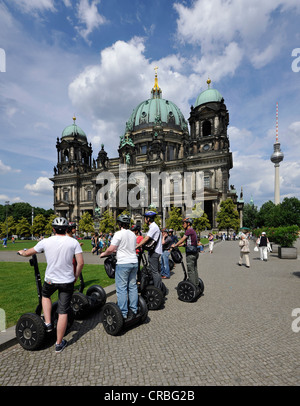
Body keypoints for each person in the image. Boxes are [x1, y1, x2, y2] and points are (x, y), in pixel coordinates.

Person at [18, 217, 84, 353]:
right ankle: (59, 344)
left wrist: (22, 252)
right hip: (67, 281)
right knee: (63, 311)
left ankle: (48, 322)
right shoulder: (73, 242)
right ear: (66, 229)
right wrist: (76, 276)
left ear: (53, 229)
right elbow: (80, 262)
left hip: (51, 280)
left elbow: (28, 252)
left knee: (45, 295)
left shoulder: (45, 241)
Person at [100, 214, 138, 320]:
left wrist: (103, 254)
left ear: (120, 224)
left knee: (121, 289)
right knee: (132, 286)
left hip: (123, 263)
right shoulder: (133, 234)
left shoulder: (118, 234)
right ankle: (134, 309)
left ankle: (123, 313)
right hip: (134, 262)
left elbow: (111, 249)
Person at [136, 211, 163, 289]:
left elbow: (146, 238)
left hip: (154, 252)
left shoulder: (153, 227)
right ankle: (158, 286)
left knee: (154, 271)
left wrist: (138, 245)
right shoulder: (154, 227)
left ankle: (157, 289)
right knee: (155, 270)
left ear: (148, 219)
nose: (144, 219)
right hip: (156, 251)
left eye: (145, 218)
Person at [172, 218, 199, 287]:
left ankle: (193, 287)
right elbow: (191, 242)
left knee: (190, 271)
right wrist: (183, 245)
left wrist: (175, 245)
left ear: (188, 223)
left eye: (184, 223)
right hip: (195, 252)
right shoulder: (192, 231)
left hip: (190, 254)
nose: (182, 225)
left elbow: (182, 239)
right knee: (194, 269)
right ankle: (196, 284)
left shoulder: (188, 230)